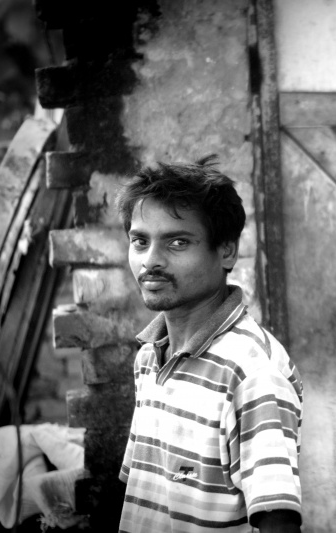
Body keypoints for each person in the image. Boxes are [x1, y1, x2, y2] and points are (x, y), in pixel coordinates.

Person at [114, 155, 303, 532]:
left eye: (178, 242)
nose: (151, 261)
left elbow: (277, 522)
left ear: (227, 251)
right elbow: (140, 487)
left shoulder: (252, 373)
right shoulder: (150, 356)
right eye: (140, 241)